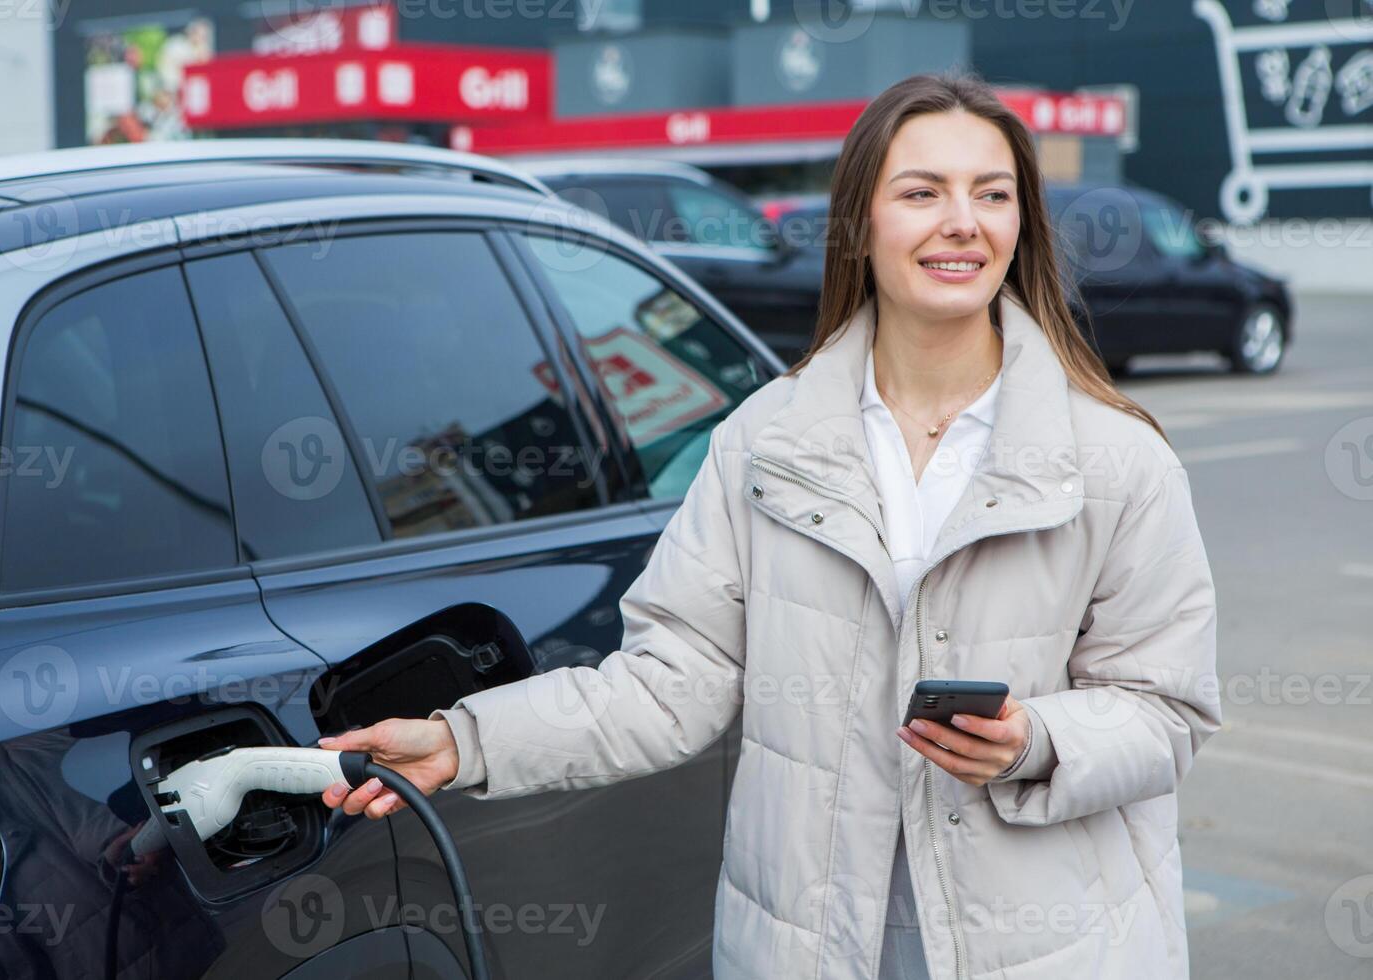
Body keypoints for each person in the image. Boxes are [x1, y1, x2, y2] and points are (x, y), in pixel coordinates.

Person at [320, 71, 1222, 980]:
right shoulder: (766, 441)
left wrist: (1035, 741)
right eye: (922, 193)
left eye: (992, 194)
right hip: (811, 946)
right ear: (859, 225)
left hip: (1050, 948)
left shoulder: (1115, 458)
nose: (963, 222)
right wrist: (464, 739)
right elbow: (670, 683)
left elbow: (1168, 709)